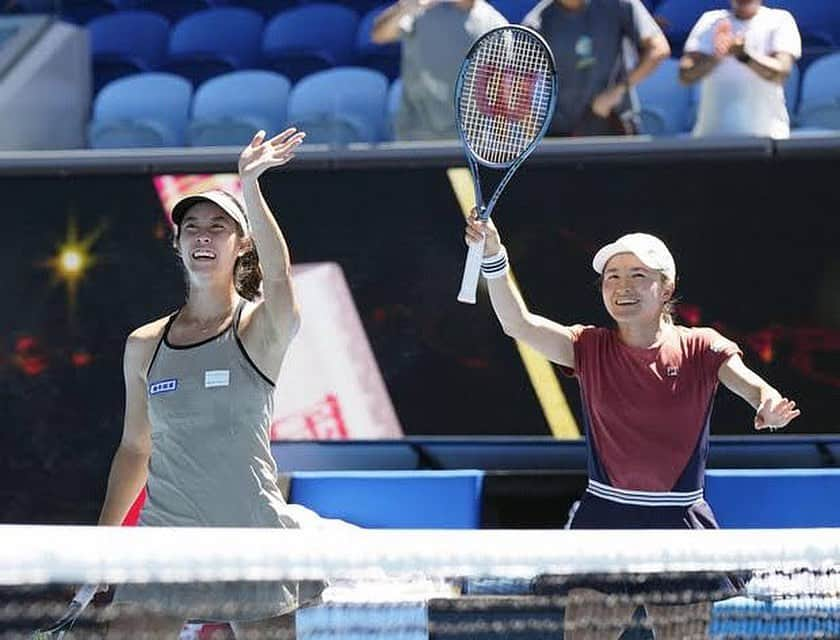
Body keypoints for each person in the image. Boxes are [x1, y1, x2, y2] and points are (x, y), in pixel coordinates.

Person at [465, 217, 800, 639]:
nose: (622, 286)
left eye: (637, 276)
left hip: (681, 523)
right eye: (612, 277)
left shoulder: (703, 345)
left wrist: (768, 405)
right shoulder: (586, 346)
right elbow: (519, 324)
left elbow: (755, 388)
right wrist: (495, 255)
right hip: (605, 519)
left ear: (666, 288)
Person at [97, 128, 324, 639]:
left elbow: (282, 280)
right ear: (177, 245)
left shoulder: (259, 330)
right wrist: (104, 546)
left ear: (241, 244)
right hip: (166, 540)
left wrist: (251, 185)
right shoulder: (144, 345)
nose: (203, 235)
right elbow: (135, 448)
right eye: (192, 227)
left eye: (218, 227)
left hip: (252, 538)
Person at [522, 0, 670, 136]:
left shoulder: (620, 4)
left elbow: (658, 50)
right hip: (561, 134)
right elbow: (519, 82)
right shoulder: (536, 22)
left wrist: (618, 90)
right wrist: (530, 128)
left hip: (615, 127)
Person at [371, 0, 506, 141]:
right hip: (413, 137)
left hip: (467, 142)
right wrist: (409, 5)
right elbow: (379, 35)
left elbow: (502, 99)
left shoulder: (495, 25)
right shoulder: (418, 12)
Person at [679, 0, 801, 139]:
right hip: (711, 139)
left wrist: (745, 56)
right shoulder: (709, 20)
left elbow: (780, 74)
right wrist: (718, 55)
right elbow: (685, 76)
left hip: (766, 139)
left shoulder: (780, 20)